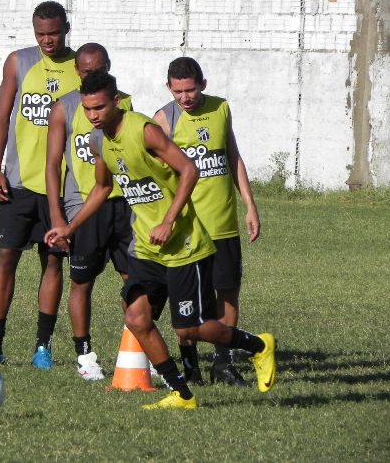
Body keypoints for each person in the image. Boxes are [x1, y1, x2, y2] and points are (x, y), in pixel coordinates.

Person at [45, 71, 276, 409]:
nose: (93, 115)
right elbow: (103, 188)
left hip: (184, 244)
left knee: (193, 329)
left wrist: (169, 220)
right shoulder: (100, 141)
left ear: (115, 102)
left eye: (99, 108)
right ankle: (181, 394)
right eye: (87, 109)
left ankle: (258, 346)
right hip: (146, 247)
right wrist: (70, 227)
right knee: (137, 318)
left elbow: (190, 170)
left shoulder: (144, 131)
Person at [0, 1, 80, 370]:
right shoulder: (18, 62)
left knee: (53, 263)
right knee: (6, 259)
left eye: (53, 32)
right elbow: (2, 117)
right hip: (18, 182)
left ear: (66, 27)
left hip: (64, 188)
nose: (47, 40)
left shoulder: (81, 66)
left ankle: (42, 348)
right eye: (40, 34)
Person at [153, 57, 260, 386]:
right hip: (188, 227)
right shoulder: (163, 120)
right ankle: (191, 367)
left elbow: (232, 156)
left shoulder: (221, 109)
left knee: (227, 293)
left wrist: (250, 205)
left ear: (203, 84)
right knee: (189, 299)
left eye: (190, 89)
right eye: (178, 91)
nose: (185, 97)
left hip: (223, 222)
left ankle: (223, 363)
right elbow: (157, 175)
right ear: (169, 88)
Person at [46, 43, 133, 380]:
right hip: (84, 205)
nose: (92, 75)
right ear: (76, 72)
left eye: (98, 69)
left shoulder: (123, 102)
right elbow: (52, 166)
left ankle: (139, 351)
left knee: (134, 280)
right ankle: (85, 356)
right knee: (82, 281)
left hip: (124, 204)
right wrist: (57, 216)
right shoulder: (65, 107)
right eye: (85, 71)